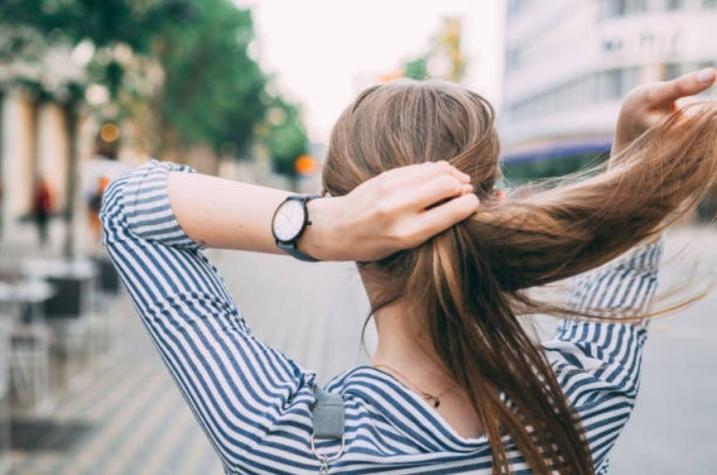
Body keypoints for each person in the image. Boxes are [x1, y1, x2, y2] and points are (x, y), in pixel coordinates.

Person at [100, 68, 717, 474]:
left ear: (352, 213)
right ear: (493, 201)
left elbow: (130, 207)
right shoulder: (577, 405)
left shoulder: (280, 440)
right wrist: (638, 155)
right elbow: (631, 228)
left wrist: (317, 228)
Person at [32, 177, 53, 246]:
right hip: (39, 210)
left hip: (44, 210)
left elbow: (48, 200)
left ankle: (45, 237)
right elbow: (35, 201)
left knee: (45, 225)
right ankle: (42, 237)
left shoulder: (45, 190)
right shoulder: (38, 191)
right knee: (40, 225)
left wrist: (48, 207)